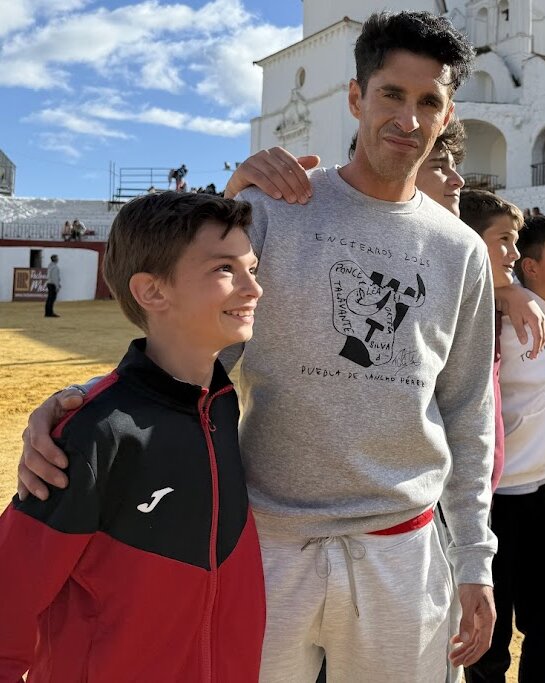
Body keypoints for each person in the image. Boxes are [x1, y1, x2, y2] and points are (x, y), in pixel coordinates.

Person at [18, 12, 497, 682]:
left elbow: (468, 412)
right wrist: (83, 406)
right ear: (356, 97)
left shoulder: (463, 252)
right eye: (392, 94)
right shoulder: (278, 208)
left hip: (403, 550)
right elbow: (194, 352)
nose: (408, 119)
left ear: (447, 116)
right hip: (267, 543)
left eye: (429, 102)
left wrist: (476, 557)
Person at [0, 192, 266, 679]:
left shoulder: (224, 405)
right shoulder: (91, 432)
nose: (254, 289)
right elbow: (8, 600)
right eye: (225, 269)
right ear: (152, 292)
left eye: (253, 268)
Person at [466, 215, 545, 683]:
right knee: (490, 643)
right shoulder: (498, 313)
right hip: (489, 500)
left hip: (536, 494)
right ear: (529, 268)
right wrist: (504, 293)